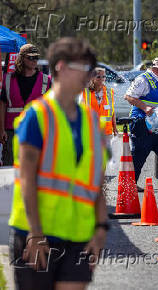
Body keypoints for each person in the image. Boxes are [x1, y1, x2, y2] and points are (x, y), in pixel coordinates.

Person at [8, 37, 109, 290]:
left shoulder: (92, 123)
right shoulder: (36, 116)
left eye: (91, 69)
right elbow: (28, 179)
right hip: (37, 236)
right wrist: (36, 233)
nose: (89, 76)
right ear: (61, 67)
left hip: (78, 238)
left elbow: (96, 181)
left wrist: (100, 228)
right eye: (83, 68)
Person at [124, 57, 158, 190]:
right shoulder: (143, 79)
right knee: (138, 157)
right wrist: (145, 108)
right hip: (142, 124)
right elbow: (129, 97)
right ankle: (129, 186)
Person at [0, 44, 51, 166]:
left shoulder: (46, 80)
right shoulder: (8, 79)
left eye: (36, 58)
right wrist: (1, 129)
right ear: (22, 58)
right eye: (30, 57)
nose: (34, 61)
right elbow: (2, 104)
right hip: (11, 131)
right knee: (9, 166)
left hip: (36, 130)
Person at [79, 67, 118, 141]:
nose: (102, 79)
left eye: (104, 76)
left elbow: (112, 111)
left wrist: (114, 127)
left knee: (106, 152)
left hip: (107, 132)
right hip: (91, 131)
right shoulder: (85, 92)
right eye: (98, 77)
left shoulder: (110, 92)